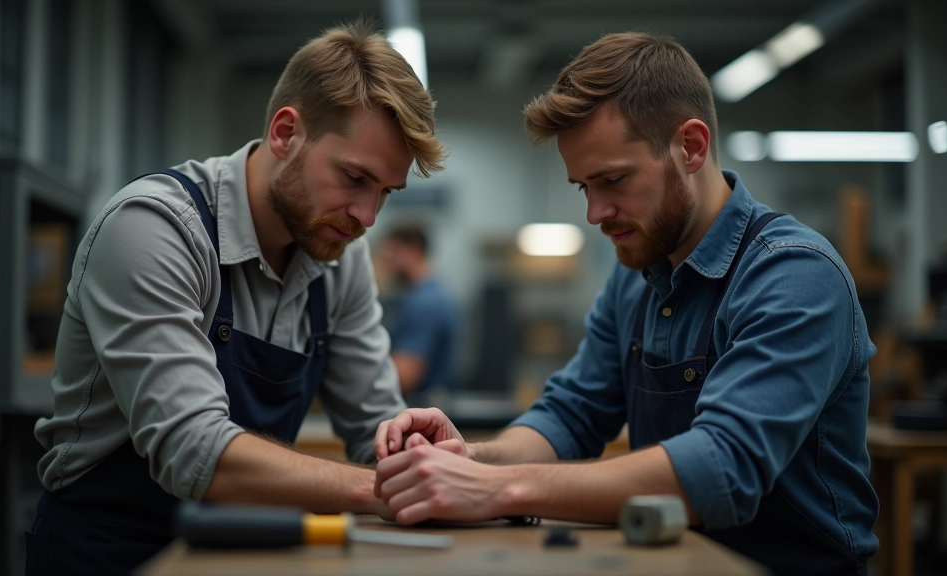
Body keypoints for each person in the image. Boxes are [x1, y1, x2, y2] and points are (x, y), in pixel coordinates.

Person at [373, 32, 878, 576]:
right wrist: (472, 459)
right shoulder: (635, 276)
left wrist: (495, 487)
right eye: (583, 187)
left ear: (691, 146)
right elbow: (572, 415)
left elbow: (719, 470)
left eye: (613, 180)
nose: (595, 213)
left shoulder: (794, 274)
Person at [26, 21, 445, 574]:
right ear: (285, 132)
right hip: (109, 552)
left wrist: (422, 461)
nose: (367, 218)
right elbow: (194, 451)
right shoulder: (154, 229)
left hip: (238, 552)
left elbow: (376, 428)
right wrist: (387, 491)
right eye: (354, 178)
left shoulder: (337, 262)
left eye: (385, 194)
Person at [379, 224, 460, 403]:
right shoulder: (432, 294)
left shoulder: (424, 303)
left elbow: (404, 377)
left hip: (421, 410)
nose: (387, 264)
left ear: (414, 250)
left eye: (392, 254)